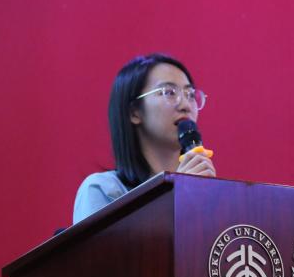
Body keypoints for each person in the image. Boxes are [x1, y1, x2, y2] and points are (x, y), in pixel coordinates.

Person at [72, 53, 216, 224]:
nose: (186, 105)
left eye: (190, 94)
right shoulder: (103, 190)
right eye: (169, 92)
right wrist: (177, 196)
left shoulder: (207, 194)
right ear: (135, 112)